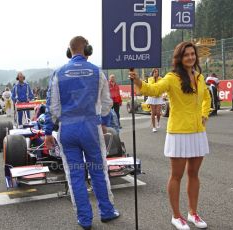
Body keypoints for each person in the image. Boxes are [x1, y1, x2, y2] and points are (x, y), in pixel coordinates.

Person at [130, 41, 211, 230]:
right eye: (186, 55)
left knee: (194, 174)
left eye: (192, 54)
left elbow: (206, 97)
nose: (190, 57)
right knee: (177, 175)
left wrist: (205, 114)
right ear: (179, 58)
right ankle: (176, 216)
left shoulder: (199, 77)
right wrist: (137, 81)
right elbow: (154, 90)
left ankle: (193, 213)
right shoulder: (172, 77)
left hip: (198, 132)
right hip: (179, 133)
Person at [44, 36, 120, 230]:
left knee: (75, 176)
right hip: (91, 129)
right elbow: (107, 102)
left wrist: (48, 132)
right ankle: (107, 212)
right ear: (87, 49)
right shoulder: (97, 71)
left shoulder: (58, 73)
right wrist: (103, 121)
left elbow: (51, 107)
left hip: (67, 130)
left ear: (69, 51)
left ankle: (85, 220)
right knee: (98, 171)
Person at [146, 68, 163, 132]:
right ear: (153, 72)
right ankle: (154, 127)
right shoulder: (150, 79)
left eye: (157, 72)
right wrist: (154, 78)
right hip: (152, 97)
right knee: (153, 112)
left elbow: (160, 86)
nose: (156, 73)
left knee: (158, 113)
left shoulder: (161, 79)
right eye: (155, 72)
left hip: (159, 97)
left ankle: (158, 122)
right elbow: (151, 86)